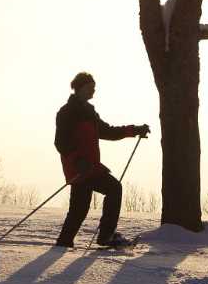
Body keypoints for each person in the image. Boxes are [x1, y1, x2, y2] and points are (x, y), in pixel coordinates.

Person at [53, 72, 150, 249]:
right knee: (96, 199)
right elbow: (61, 142)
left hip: (91, 167)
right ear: (80, 88)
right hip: (79, 168)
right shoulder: (67, 112)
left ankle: (69, 241)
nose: (93, 92)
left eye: (94, 88)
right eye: (90, 88)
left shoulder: (89, 112)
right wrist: (77, 161)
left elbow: (108, 132)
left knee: (85, 205)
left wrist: (134, 130)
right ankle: (102, 236)